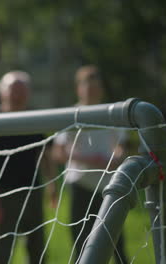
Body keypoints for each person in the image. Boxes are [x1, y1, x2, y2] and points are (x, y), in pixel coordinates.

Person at [0, 71, 57, 264]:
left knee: (38, 250)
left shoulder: (34, 120)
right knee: (1, 253)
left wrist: (52, 186)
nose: (18, 94)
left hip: (32, 193)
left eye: (22, 90)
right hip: (4, 196)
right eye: (13, 89)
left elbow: (45, 156)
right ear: (2, 92)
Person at [51, 65, 129, 263]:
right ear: (79, 89)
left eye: (96, 87)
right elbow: (59, 152)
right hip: (81, 186)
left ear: (101, 89)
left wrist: (114, 160)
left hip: (109, 189)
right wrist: (88, 160)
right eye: (87, 87)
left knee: (116, 243)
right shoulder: (71, 115)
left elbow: (121, 147)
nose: (92, 91)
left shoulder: (112, 113)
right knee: (83, 244)